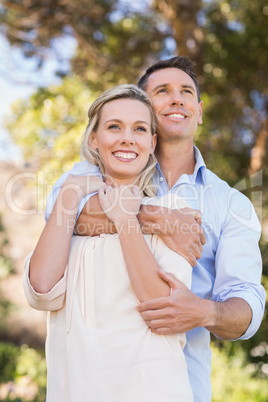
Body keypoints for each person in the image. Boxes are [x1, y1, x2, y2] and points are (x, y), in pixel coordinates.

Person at [45, 56, 266, 402]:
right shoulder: (95, 172)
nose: (177, 99)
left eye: (187, 92)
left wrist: (205, 310)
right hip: (91, 382)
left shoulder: (231, 203)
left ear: (200, 110)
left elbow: (247, 301)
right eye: (162, 91)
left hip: (179, 385)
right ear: (144, 109)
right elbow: (58, 214)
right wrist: (155, 217)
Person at [23, 84, 195, 401]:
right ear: (93, 139)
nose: (127, 138)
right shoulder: (69, 212)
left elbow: (162, 310)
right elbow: (42, 288)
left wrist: (127, 219)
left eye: (140, 129)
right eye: (114, 126)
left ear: (152, 142)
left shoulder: (174, 215)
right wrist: (71, 192)